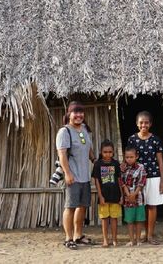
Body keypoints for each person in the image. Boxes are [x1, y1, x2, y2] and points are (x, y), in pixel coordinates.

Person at [56, 101, 95, 250]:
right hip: (73, 176)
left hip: (85, 176)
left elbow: (89, 147)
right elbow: (62, 154)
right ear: (69, 114)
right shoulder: (64, 132)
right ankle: (68, 238)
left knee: (82, 206)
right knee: (70, 207)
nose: (79, 115)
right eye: (75, 112)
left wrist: (94, 160)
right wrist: (67, 173)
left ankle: (78, 235)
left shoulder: (84, 129)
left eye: (81, 112)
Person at [126, 110, 163, 245]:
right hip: (137, 179)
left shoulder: (155, 140)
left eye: (146, 123)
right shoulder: (132, 139)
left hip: (154, 177)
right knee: (140, 206)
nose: (144, 125)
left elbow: (160, 161)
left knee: (152, 206)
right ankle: (141, 235)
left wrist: (162, 181)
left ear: (151, 124)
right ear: (137, 124)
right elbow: (128, 158)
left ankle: (150, 235)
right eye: (141, 123)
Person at [91, 139, 122, 248]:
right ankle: (105, 240)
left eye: (110, 152)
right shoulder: (98, 164)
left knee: (114, 219)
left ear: (113, 152)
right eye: (105, 152)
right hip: (103, 196)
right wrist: (100, 196)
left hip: (115, 196)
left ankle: (114, 239)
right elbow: (97, 181)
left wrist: (121, 195)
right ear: (101, 152)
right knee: (104, 219)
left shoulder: (116, 163)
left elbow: (119, 180)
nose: (107, 154)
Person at [121, 146, 147, 246]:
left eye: (131, 157)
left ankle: (138, 240)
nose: (129, 159)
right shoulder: (122, 167)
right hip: (127, 199)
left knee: (139, 219)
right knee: (130, 220)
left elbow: (142, 181)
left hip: (139, 197)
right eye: (127, 157)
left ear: (136, 156)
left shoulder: (141, 167)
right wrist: (128, 194)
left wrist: (135, 194)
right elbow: (122, 182)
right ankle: (132, 240)